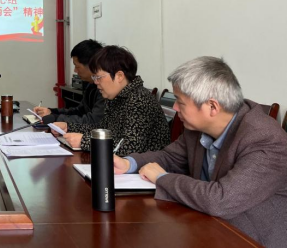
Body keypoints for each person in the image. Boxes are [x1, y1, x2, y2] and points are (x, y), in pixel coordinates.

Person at [114, 56, 287, 248]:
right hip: (204, 225)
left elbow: (219, 201)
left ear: (212, 107)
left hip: (250, 238)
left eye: (180, 102)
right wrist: (129, 163)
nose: (175, 107)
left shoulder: (265, 139)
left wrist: (162, 178)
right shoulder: (197, 128)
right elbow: (170, 157)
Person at [57, 45, 169, 156]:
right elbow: (103, 129)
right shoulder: (116, 96)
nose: (95, 82)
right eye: (94, 78)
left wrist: (84, 141)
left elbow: (131, 147)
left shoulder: (139, 99)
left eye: (98, 77)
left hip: (144, 165)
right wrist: (69, 127)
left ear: (119, 76)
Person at [34, 39, 105, 125]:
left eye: (77, 66)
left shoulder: (106, 88)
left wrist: (56, 118)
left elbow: (94, 121)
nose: (75, 70)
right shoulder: (90, 84)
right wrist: (52, 112)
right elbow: (80, 111)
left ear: (91, 65)